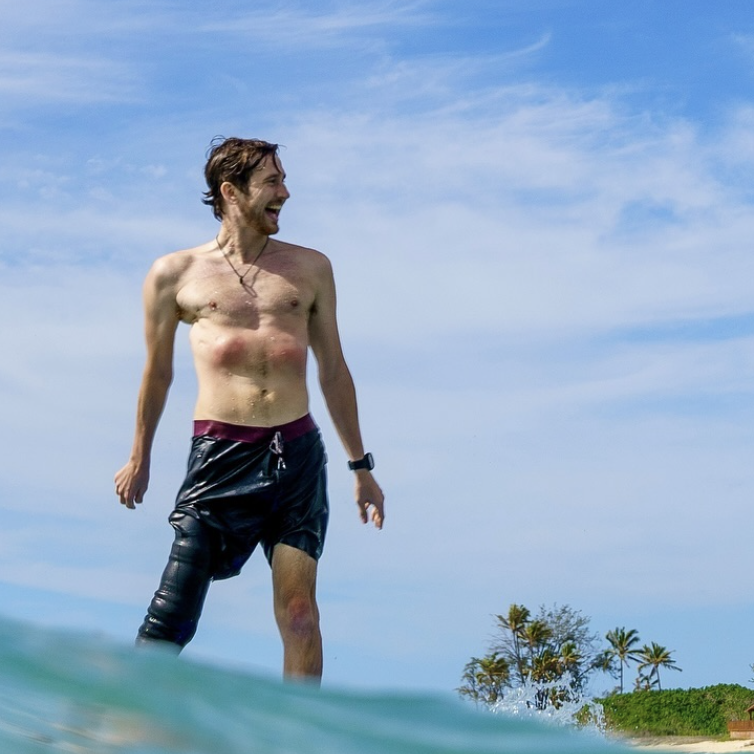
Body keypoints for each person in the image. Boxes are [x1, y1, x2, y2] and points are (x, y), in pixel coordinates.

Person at [114, 137, 384, 682]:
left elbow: (333, 370)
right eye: (273, 182)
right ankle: (116, 729)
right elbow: (158, 373)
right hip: (219, 458)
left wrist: (361, 467)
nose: (286, 192)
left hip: (297, 457)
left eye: (283, 179)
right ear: (231, 192)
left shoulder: (310, 269)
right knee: (171, 620)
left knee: (301, 615)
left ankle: (296, 738)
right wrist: (139, 456)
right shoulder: (175, 274)